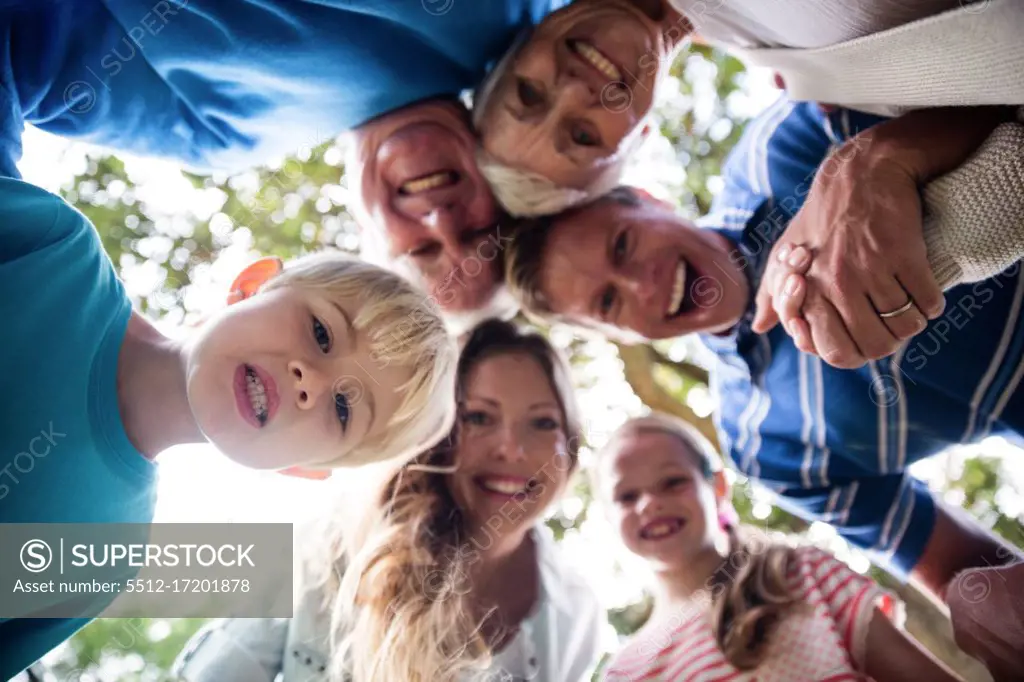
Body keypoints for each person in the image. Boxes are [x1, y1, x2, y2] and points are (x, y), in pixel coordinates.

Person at [499, 99, 1024, 671]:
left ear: (651, 200)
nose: (644, 286)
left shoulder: (785, 143)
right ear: (617, 334)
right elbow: (961, 568)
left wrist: (878, 160)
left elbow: (998, 86)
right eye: (609, 301)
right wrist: (992, 612)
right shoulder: (764, 447)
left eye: (623, 244)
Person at [0, 178, 458, 679]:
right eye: (322, 332)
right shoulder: (55, 248)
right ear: (253, 284)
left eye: (344, 409)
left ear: (301, 468)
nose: (311, 381)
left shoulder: (104, 557)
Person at [474, 0, 1023, 354]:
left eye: (528, 93)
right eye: (585, 136)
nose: (573, 91)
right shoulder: (806, 77)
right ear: (637, 139)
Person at [1, 0, 560, 317]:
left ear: (369, 235)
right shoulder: (518, 23)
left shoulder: (220, 138)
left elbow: (24, 48)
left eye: (421, 249)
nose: (440, 218)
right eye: (480, 229)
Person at [173, 319, 609, 682]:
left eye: (542, 423)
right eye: (479, 417)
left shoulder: (578, 614)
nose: (511, 449)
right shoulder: (326, 548)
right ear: (437, 436)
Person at [594, 414, 965, 682]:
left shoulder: (798, 573)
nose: (648, 504)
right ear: (608, 517)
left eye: (672, 482)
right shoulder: (629, 670)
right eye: (627, 496)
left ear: (718, 487)